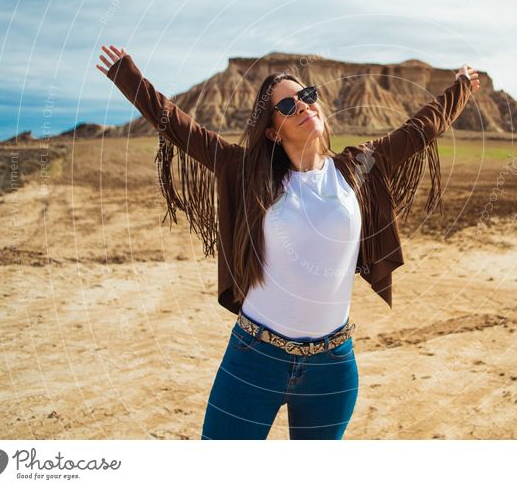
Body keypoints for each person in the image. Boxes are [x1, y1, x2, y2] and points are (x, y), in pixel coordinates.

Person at [97, 44, 479, 439]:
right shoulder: (247, 171)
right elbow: (179, 126)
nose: (302, 106)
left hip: (332, 366)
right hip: (254, 358)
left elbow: (421, 128)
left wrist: (461, 87)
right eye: (286, 106)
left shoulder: (358, 167)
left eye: (307, 96)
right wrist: (127, 75)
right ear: (271, 131)